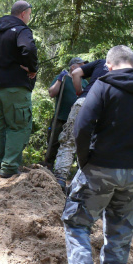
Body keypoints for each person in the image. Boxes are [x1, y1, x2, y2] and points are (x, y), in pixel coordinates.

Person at [62, 45, 133, 263]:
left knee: (77, 224)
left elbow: (82, 127)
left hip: (99, 167)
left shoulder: (103, 85)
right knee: (120, 234)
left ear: (108, 66)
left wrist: (84, 161)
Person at [0, 0, 38, 178]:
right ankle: (8, 168)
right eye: (29, 14)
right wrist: (32, 68)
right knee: (18, 126)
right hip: (14, 87)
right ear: (23, 13)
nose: (29, 18)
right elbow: (29, 49)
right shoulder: (22, 30)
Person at [52, 57, 109, 188]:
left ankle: (60, 178)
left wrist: (79, 92)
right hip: (106, 106)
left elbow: (76, 73)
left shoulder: (102, 62)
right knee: (95, 145)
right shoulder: (128, 70)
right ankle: (86, 183)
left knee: (69, 140)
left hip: (84, 101)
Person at [42, 58, 88, 179]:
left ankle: (69, 174)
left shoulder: (84, 82)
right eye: (81, 66)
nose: (84, 69)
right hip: (61, 118)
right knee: (53, 144)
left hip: (77, 120)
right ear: (73, 67)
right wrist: (59, 80)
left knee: (74, 146)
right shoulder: (63, 77)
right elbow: (52, 93)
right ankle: (48, 170)